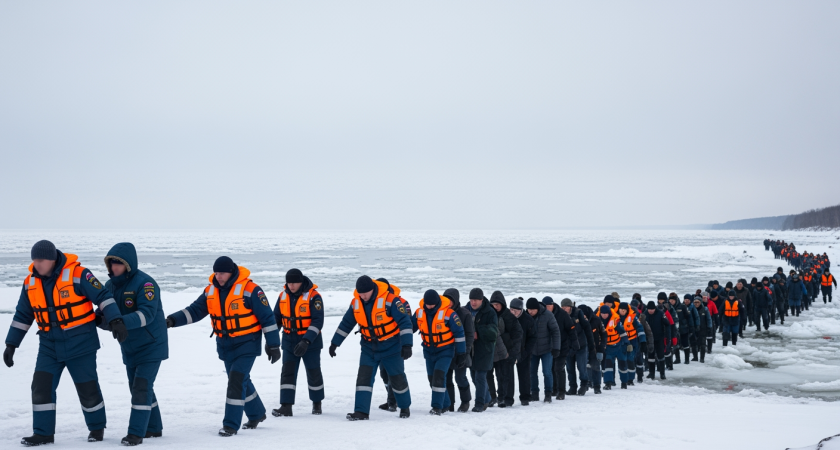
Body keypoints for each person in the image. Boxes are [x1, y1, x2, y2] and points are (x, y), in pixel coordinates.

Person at [4, 241, 127, 446]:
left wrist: (115, 320)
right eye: (34, 260)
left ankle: (97, 428)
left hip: (81, 343)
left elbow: (103, 296)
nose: (37, 264)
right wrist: (11, 344)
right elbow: (23, 315)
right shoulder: (30, 283)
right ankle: (43, 433)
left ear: (52, 259)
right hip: (49, 345)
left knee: (87, 388)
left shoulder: (79, 274)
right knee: (41, 386)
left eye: (41, 260)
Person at [165, 257, 280, 436]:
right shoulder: (210, 290)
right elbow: (194, 311)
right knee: (241, 380)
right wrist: (172, 320)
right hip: (225, 345)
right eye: (216, 273)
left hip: (248, 343)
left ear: (231, 272)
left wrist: (273, 344)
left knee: (236, 381)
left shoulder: (250, 290)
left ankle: (230, 425)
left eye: (222, 273)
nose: (218, 276)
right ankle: (257, 413)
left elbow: (267, 318)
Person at [101, 243, 168, 446]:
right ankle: (154, 427)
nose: (114, 268)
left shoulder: (146, 284)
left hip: (151, 344)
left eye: (118, 264)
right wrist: (96, 320)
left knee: (141, 387)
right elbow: (108, 317)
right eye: (111, 263)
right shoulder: (110, 286)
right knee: (137, 387)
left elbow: (146, 314)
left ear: (128, 264)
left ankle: (136, 433)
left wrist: (120, 322)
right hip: (129, 346)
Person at [329, 276, 413, 420]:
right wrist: (335, 343)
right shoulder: (356, 302)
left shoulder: (391, 300)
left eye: (365, 293)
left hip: (391, 346)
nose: (362, 296)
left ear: (372, 290)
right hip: (368, 347)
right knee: (364, 378)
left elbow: (405, 322)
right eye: (360, 293)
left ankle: (404, 407)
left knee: (397, 378)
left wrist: (407, 345)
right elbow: (346, 323)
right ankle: (361, 412)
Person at [272, 269, 325, 417]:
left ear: (301, 282)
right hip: (289, 340)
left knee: (313, 372)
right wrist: (271, 340)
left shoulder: (314, 297)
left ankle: (317, 403)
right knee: (287, 373)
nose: (291, 285)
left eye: (294, 282)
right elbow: (276, 319)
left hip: (311, 342)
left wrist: (306, 340)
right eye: (288, 282)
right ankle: (286, 406)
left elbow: (318, 321)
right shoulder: (282, 296)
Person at [411, 290, 466, 415]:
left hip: (445, 350)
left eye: (432, 304)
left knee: (439, 377)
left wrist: (461, 353)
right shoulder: (419, 312)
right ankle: (446, 404)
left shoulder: (449, 314)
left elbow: (459, 333)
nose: (430, 307)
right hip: (428, 350)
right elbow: (411, 327)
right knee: (432, 379)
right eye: (427, 304)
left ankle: (437, 407)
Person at [374, 278, 411, 413]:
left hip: (396, 345)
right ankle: (392, 398)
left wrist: (406, 344)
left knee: (395, 374)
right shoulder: (374, 303)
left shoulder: (401, 303)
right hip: (378, 345)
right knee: (384, 373)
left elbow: (407, 323)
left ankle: (394, 402)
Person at [442, 289, 474, 412]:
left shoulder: (465, 314)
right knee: (447, 379)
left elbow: (469, 335)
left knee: (460, 378)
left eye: (451, 300)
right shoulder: (441, 313)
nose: (448, 303)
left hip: (461, 352)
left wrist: (465, 352)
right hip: (446, 352)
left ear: (456, 301)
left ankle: (465, 401)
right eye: (446, 300)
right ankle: (450, 404)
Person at [465, 289, 498, 412]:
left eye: (476, 300)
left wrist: (478, 332)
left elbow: (494, 331)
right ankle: (487, 398)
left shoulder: (490, 312)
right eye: (471, 300)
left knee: (480, 377)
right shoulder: (465, 310)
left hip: (484, 350)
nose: (473, 302)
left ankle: (479, 404)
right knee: (474, 377)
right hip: (470, 350)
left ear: (481, 300)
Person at [488, 292, 521, 408]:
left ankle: (506, 398)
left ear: (502, 304)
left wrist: (513, 352)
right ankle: (492, 397)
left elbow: (518, 335)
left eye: (497, 304)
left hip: (506, 351)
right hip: (490, 350)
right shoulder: (488, 315)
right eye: (493, 304)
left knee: (504, 375)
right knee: (488, 375)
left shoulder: (509, 316)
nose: (495, 307)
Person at [526, 298, 561, 401]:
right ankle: (534, 393)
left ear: (537, 308)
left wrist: (556, 348)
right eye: (528, 309)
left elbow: (555, 331)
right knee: (532, 372)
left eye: (532, 309)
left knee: (547, 372)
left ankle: (548, 393)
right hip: (532, 350)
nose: (530, 311)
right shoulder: (526, 316)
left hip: (547, 349)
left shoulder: (548, 315)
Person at [543, 296, 577, 399]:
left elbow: (571, 329)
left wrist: (575, 343)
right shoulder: (542, 315)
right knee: (551, 368)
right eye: (545, 306)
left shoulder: (562, 314)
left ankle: (561, 392)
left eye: (549, 306)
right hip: (549, 346)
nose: (547, 308)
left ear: (553, 305)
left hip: (563, 345)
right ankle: (554, 389)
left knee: (559, 368)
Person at [561, 299, 594, 395]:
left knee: (581, 367)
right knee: (570, 368)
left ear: (570, 307)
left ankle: (584, 385)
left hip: (581, 345)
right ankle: (572, 387)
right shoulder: (561, 315)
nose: (564, 309)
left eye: (566, 307)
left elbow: (587, 328)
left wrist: (591, 345)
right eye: (562, 307)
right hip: (568, 346)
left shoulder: (578, 313)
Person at [509, 298, 535, 405]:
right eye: (511, 310)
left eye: (516, 310)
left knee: (524, 375)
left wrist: (526, 352)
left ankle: (525, 397)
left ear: (521, 310)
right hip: (510, 352)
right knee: (508, 376)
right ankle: (508, 399)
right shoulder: (507, 318)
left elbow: (533, 338)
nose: (513, 312)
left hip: (524, 352)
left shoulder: (528, 320)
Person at [616, 302, 644, 388]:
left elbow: (640, 328)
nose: (622, 312)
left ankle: (630, 379)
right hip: (620, 342)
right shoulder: (615, 318)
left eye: (624, 310)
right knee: (622, 361)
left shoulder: (633, 317)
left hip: (632, 341)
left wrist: (643, 340)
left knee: (630, 360)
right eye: (621, 310)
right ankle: (624, 379)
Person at [600, 305, 627, 390]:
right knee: (607, 366)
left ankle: (624, 383)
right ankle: (608, 383)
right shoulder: (598, 321)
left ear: (609, 313)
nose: (604, 315)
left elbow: (622, 333)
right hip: (608, 347)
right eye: (602, 313)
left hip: (618, 346)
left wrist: (626, 343)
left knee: (622, 365)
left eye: (605, 314)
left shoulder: (616, 321)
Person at [579, 305, 605, 394]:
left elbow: (604, 334)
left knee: (596, 367)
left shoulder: (597, 320)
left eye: (584, 315)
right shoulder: (577, 321)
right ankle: (586, 384)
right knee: (584, 367)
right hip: (583, 347)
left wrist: (601, 348)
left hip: (595, 348)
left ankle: (597, 386)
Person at [643, 301, 670, 379]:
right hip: (649, 340)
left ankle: (662, 373)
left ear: (655, 308)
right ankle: (651, 373)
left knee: (661, 356)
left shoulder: (660, 314)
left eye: (652, 309)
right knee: (650, 357)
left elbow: (667, 324)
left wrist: (668, 337)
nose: (651, 310)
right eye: (649, 309)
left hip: (659, 338)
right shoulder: (644, 315)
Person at [630, 296, 653, 382]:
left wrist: (648, 343)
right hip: (630, 342)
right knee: (631, 360)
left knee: (639, 359)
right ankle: (631, 377)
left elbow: (648, 332)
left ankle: (639, 376)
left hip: (639, 342)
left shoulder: (642, 319)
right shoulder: (625, 319)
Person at [693, 297, 713, 363]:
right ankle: (695, 357)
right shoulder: (692, 309)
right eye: (695, 302)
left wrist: (709, 327)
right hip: (694, 329)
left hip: (703, 329)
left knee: (703, 344)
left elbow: (709, 319)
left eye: (697, 302)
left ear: (700, 302)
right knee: (694, 344)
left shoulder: (705, 309)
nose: (696, 304)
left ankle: (702, 358)